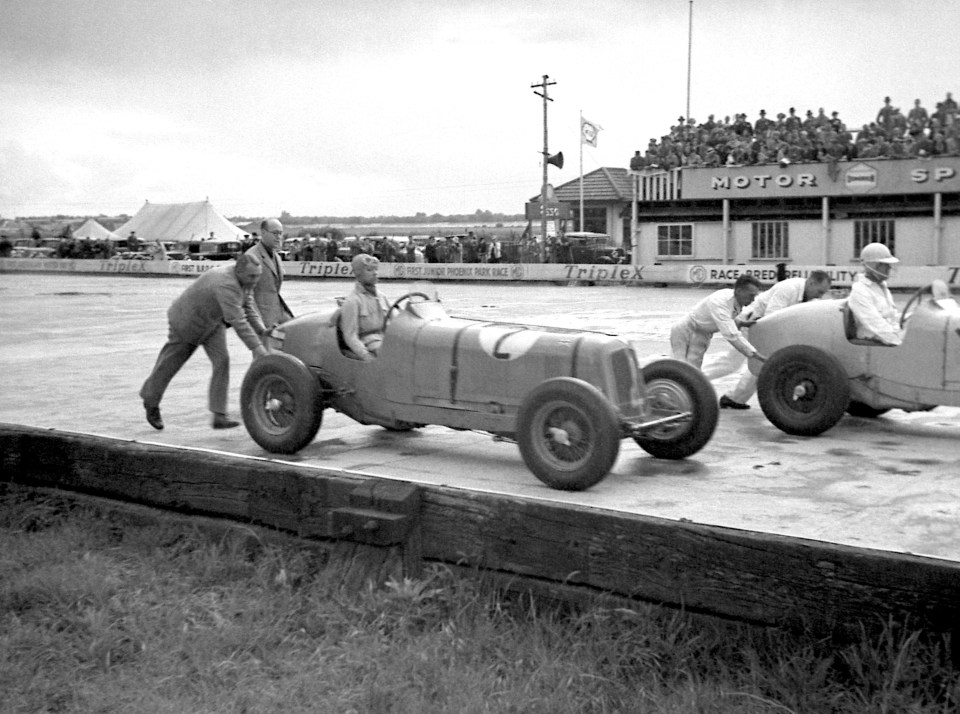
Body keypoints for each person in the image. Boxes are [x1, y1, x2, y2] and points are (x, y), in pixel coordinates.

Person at [139, 253, 269, 431]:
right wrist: (258, 348)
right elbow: (238, 320)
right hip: (186, 321)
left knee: (222, 362)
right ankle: (150, 400)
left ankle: (219, 415)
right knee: (170, 364)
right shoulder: (226, 283)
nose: (256, 280)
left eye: (258, 275)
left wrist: (262, 330)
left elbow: (248, 306)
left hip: (211, 322)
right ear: (238, 271)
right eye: (252, 276)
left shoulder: (245, 280)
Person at [719, 271, 833, 409]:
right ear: (811, 282)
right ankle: (694, 380)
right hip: (753, 324)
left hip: (766, 328)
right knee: (732, 363)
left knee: (760, 363)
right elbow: (771, 318)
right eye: (819, 291)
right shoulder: (788, 288)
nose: (820, 296)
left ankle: (735, 398)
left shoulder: (809, 296)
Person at [670, 274, 765, 372]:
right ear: (739, 291)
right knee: (680, 368)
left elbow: (727, 318)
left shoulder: (734, 299)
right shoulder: (720, 302)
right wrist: (755, 354)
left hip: (703, 334)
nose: (753, 300)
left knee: (693, 372)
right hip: (686, 330)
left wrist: (740, 322)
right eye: (751, 296)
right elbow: (731, 335)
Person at [848, 242, 902, 345]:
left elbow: (893, 317)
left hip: (888, 338)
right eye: (885, 265)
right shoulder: (860, 291)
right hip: (873, 343)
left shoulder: (882, 287)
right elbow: (876, 325)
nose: (889, 268)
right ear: (874, 266)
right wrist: (899, 342)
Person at [245, 218, 293, 330]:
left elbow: (274, 291)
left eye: (280, 233)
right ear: (263, 233)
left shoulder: (276, 256)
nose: (279, 237)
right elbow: (247, 297)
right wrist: (259, 325)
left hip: (278, 317)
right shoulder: (251, 257)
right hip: (262, 322)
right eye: (275, 233)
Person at [340, 253, 389, 361]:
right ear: (358, 274)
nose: (375, 273)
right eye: (369, 270)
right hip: (369, 345)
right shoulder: (353, 301)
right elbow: (350, 336)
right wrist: (366, 355)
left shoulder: (382, 297)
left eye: (376, 269)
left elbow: (394, 324)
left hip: (387, 342)